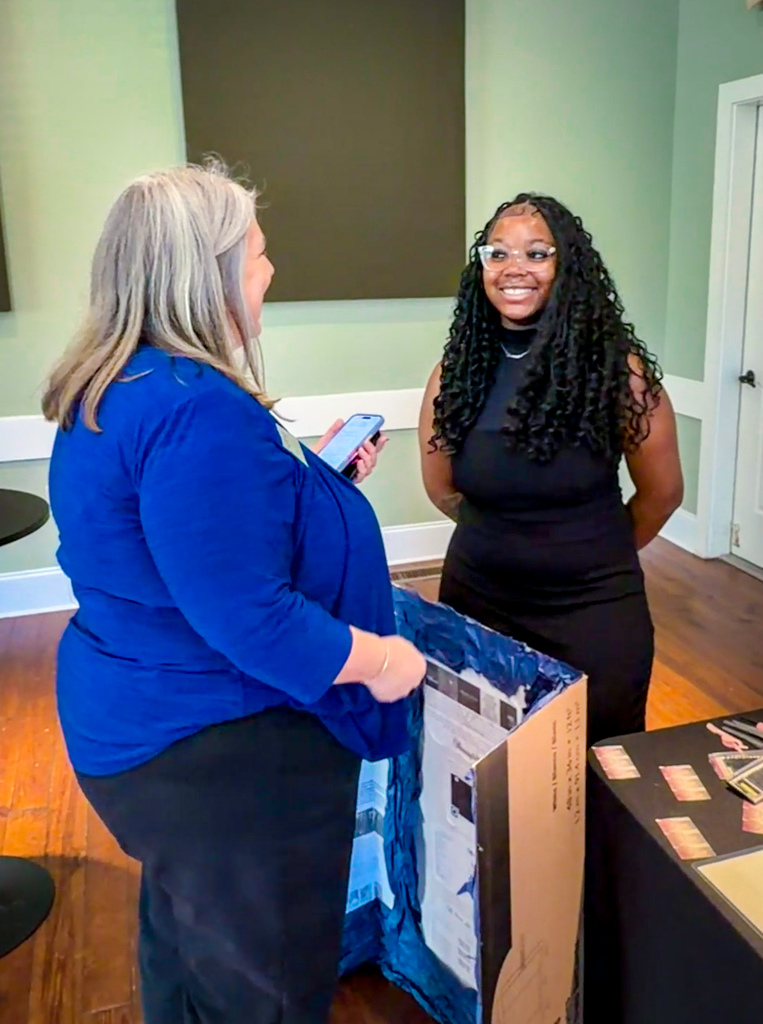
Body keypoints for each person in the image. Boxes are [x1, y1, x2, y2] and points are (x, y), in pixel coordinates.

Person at [42, 162, 425, 1024]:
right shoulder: (198, 408)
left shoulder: (115, 384)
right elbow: (248, 616)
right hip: (225, 751)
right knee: (267, 987)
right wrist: (380, 659)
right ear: (205, 273)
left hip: (144, 729)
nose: (269, 270)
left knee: (187, 946)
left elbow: (191, 544)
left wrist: (312, 483)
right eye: (256, 253)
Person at [419, 194, 683, 746]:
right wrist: (507, 534)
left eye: (537, 254)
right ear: (481, 267)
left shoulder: (620, 373)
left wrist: (590, 553)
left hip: (593, 611)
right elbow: (441, 488)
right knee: (482, 767)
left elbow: (661, 494)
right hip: (478, 604)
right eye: (498, 253)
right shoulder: (457, 371)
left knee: (597, 767)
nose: (514, 268)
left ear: (567, 268)